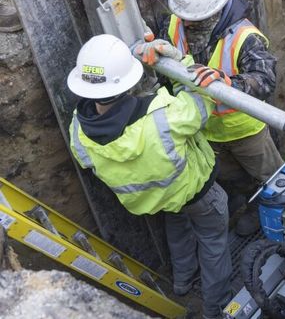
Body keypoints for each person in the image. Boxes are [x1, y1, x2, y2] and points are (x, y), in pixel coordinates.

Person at [67, 34, 232, 319]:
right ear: (128, 80)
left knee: (178, 229)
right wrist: (180, 61)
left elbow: (86, 162)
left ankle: (182, 283)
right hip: (197, 193)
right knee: (213, 241)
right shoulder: (162, 114)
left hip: (157, 200)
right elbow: (205, 97)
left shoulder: (78, 129)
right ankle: (215, 308)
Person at [157, 0, 283, 236]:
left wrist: (230, 84)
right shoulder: (174, 23)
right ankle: (248, 199)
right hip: (207, 132)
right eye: (184, 16)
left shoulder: (244, 37)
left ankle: (273, 211)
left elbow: (265, 79)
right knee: (229, 176)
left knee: (272, 177)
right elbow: (164, 47)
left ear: (215, 10)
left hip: (246, 131)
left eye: (194, 18)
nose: (187, 23)